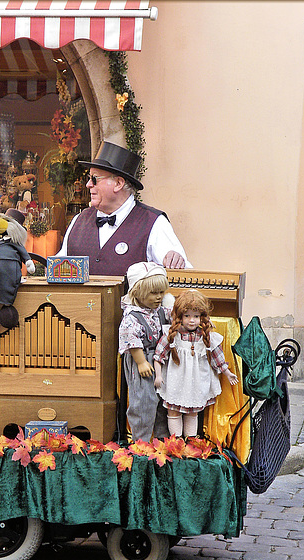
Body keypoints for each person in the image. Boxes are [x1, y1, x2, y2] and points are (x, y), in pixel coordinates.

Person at [55, 141, 191, 275]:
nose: (89, 185)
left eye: (95, 179)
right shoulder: (79, 220)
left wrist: (175, 262)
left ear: (118, 183)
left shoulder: (153, 222)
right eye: (88, 178)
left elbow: (184, 278)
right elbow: (58, 271)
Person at [153, 289, 238, 438]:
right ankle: (176, 441)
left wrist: (227, 372)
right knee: (173, 410)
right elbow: (159, 356)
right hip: (176, 380)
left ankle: (191, 441)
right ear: (180, 316)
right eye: (187, 316)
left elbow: (218, 357)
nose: (191, 320)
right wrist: (158, 375)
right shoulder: (172, 335)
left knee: (192, 412)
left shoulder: (206, 336)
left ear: (202, 317)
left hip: (196, 382)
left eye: (196, 316)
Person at [118, 262, 173, 442]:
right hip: (143, 360)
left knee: (163, 401)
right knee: (144, 401)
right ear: (137, 292)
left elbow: (178, 316)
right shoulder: (132, 316)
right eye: (153, 293)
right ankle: (141, 440)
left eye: (161, 293)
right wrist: (141, 361)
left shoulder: (160, 311)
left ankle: (162, 438)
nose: (158, 297)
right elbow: (132, 341)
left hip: (161, 361)